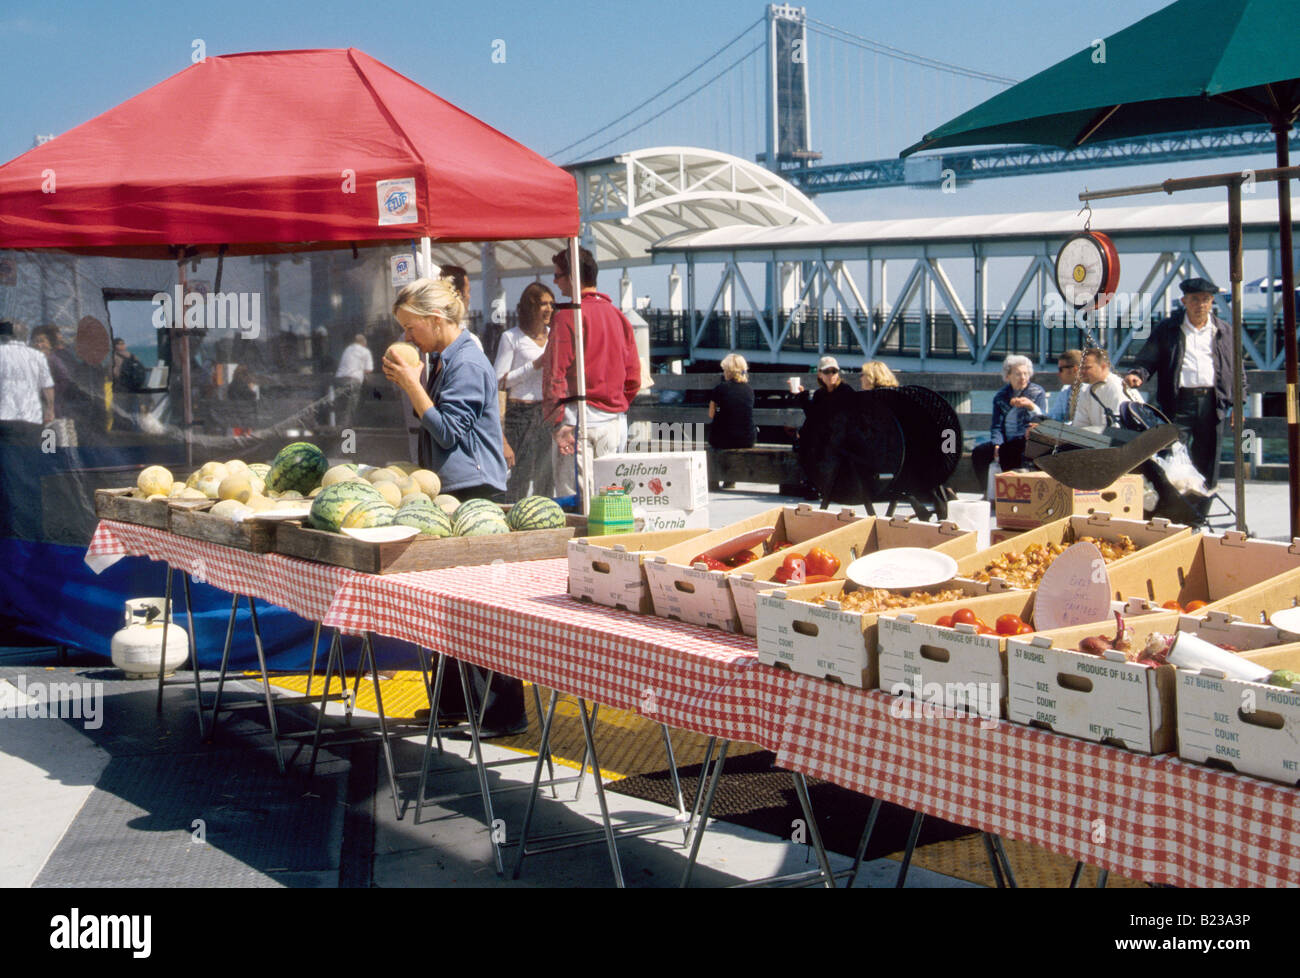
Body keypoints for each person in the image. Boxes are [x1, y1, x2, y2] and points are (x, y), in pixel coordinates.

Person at [382, 277, 521, 736]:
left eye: (410, 328)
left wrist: (411, 385)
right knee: (449, 606)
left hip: (475, 494)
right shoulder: (443, 359)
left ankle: (504, 713)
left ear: (435, 320)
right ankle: (453, 703)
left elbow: (447, 432)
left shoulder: (467, 363)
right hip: (452, 493)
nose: (406, 337)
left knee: (483, 608)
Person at [543, 246, 641, 499]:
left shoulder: (568, 315)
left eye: (557, 275)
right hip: (614, 423)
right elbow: (633, 377)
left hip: (579, 422)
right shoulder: (618, 315)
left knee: (575, 502)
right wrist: (616, 403)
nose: (554, 282)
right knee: (612, 501)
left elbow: (555, 374)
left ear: (573, 278)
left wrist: (556, 421)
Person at [1125, 277, 1239, 489]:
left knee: (1208, 458)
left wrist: (1237, 405)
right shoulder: (1168, 329)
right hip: (1178, 403)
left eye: (1205, 299)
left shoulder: (1224, 331)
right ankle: (1175, 507)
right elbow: (1148, 358)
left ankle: (1202, 508)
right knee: (1171, 454)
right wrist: (1137, 374)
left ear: (1212, 301)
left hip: (1213, 402)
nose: (1200, 305)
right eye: (1195, 299)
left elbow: (1237, 370)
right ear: (1184, 301)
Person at [494, 282, 555, 501]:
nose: (548, 309)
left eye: (551, 303)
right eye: (542, 304)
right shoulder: (511, 338)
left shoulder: (554, 335)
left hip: (547, 413)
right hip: (520, 414)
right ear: (530, 308)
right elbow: (499, 382)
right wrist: (534, 365)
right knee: (520, 476)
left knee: (546, 477)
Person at [971, 353, 1047, 493]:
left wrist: (1031, 406)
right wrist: (996, 444)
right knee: (979, 453)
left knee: (1012, 452)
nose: (1023, 378)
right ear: (1008, 376)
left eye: (1025, 373)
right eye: (1018, 374)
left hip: (1027, 440)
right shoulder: (1001, 396)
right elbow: (996, 425)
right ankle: (987, 492)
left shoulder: (1037, 392)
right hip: (1006, 439)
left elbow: (1043, 420)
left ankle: (1011, 494)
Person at [708, 353, 756, 489]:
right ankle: (730, 480)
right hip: (747, 438)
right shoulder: (749, 390)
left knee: (715, 441)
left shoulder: (720, 388)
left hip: (724, 439)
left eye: (724, 370)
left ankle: (713, 481)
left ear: (728, 371)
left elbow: (711, 414)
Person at [0, 320, 54, 424]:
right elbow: (47, 387)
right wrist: (50, 411)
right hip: (32, 417)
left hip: (4, 417)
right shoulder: (38, 356)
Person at [1073, 347, 1129, 431]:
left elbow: (1118, 429)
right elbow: (1079, 425)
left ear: (1103, 367)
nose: (1082, 372)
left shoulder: (1116, 387)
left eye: (1087, 368)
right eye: (1081, 368)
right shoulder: (1086, 390)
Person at [334, 333, 373, 426]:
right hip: (353, 380)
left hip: (340, 379)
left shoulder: (347, 349)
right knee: (352, 405)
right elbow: (369, 369)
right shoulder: (365, 351)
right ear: (364, 343)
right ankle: (349, 428)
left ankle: (338, 426)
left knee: (341, 404)